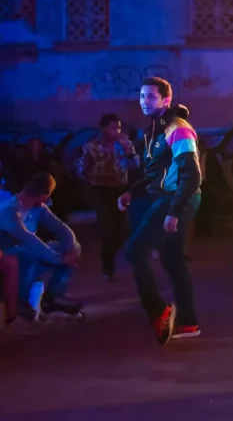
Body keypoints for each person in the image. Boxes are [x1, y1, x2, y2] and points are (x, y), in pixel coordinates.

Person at [120, 77, 202, 345]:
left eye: (151, 97)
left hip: (177, 198)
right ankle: (189, 324)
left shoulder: (178, 129)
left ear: (166, 100)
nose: (145, 101)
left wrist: (174, 211)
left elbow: (191, 175)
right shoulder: (153, 130)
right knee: (172, 260)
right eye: (142, 96)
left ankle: (159, 311)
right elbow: (155, 173)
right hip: (167, 197)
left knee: (135, 250)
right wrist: (133, 190)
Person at [0, 173, 82, 320]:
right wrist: (60, 259)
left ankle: (53, 298)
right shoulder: (9, 210)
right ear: (44, 196)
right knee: (28, 253)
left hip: (30, 255)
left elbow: (61, 228)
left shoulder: (39, 208)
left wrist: (72, 247)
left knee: (68, 248)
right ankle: (21, 303)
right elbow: (28, 239)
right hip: (10, 258)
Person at [75, 113, 140, 281]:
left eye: (118, 127)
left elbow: (135, 165)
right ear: (103, 129)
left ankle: (111, 255)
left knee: (123, 229)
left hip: (120, 189)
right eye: (113, 127)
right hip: (101, 190)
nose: (117, 130)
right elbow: (81, 169)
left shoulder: (123, 144)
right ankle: (108, 269)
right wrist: (93, 177)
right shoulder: (91, 146)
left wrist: (128, 151)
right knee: (106, 228)